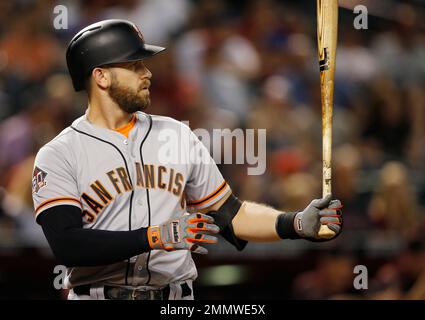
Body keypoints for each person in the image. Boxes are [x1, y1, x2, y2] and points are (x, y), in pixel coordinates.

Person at [31, 19, 343, 300]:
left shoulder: (176, 135)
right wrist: (156, 236)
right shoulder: (59, 153)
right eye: (134, 65)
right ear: (101, 77)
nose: (147, 73)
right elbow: (67, 245)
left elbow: (230, 215)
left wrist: (296, 223)